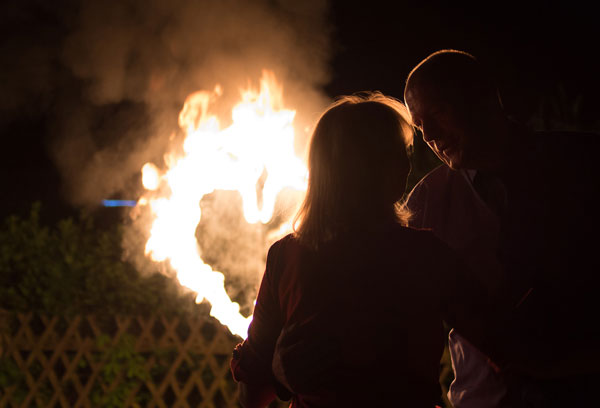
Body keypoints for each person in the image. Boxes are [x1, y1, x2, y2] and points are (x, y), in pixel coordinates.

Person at [230, 92, 510, 408]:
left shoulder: (286, 256)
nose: (408, 164)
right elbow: (502, 343)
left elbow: (254, 384)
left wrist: (279, 375)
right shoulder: (421, 255)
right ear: (366, 166)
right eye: (398, 152)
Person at [403, 49, 600, 407]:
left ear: (482, 97)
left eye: (439, 113)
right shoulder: (428, 202)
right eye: (418, 125)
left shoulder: (581, 167)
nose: (428, 135)